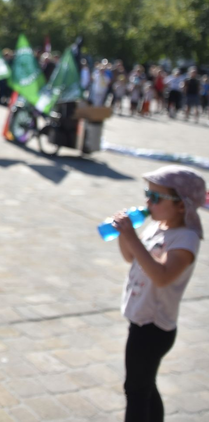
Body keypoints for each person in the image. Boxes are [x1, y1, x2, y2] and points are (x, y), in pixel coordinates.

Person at [112, 165, 205, 422]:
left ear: (181, 205)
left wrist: (133, 236)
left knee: (136, 390)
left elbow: (162, 277)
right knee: (146, 386)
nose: (147, 202)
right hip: (141, 320)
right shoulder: (158, 226)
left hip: (153, 328)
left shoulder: (186, 239)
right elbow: (130, 255)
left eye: (155, 197)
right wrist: (125, 234)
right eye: (147, 194)